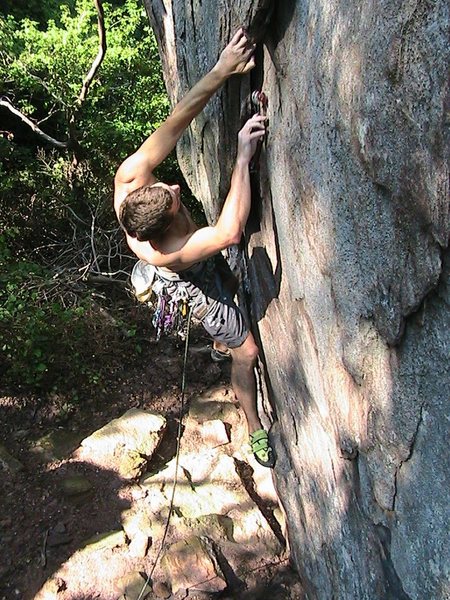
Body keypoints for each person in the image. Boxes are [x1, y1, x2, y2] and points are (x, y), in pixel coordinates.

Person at [114, 28, 274, 468]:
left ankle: (226, 350)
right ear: (165, 230)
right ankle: (255, 426)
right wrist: (243, 157)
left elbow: (176, 121)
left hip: (193, 251)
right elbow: (228, 232)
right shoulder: (168, 251)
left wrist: (222, 69)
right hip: (191, 285)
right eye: (173, 197)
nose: (173, 185)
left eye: (163, 186)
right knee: (248, 351)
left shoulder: (130, 179)